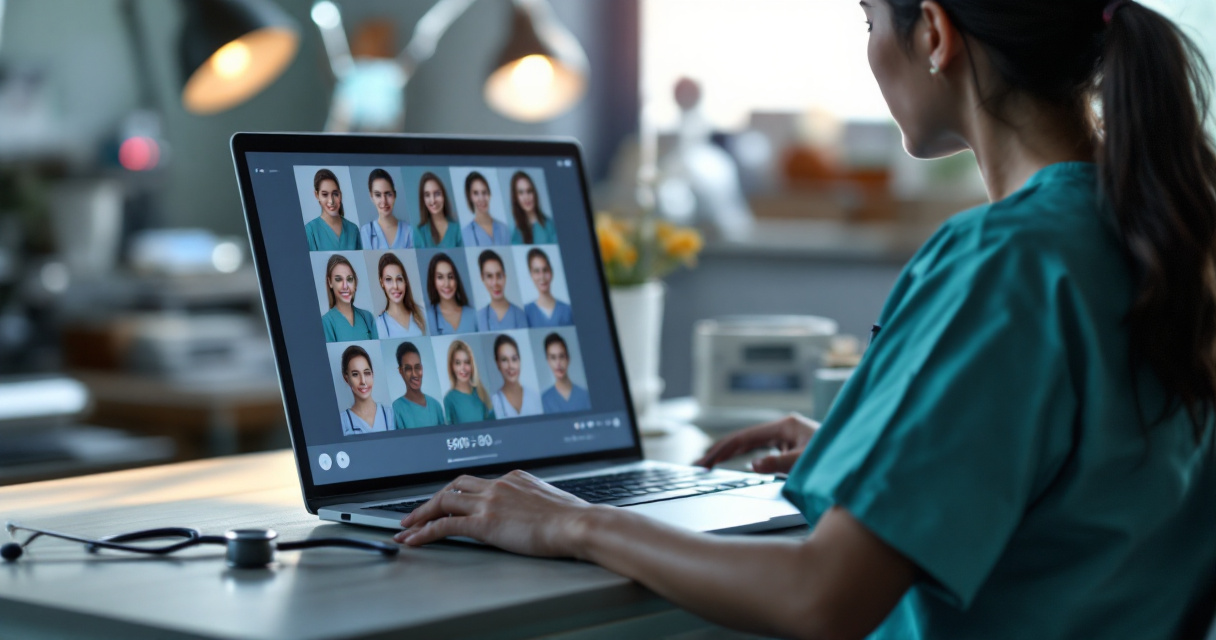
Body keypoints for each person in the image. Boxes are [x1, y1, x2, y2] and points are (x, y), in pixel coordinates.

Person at [393, 2, 1216, 639]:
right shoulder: (1169, 229)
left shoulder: (1005, 261)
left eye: (867, 22)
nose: (869, 49)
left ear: (933, 31)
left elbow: (822, 599)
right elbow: (1097, 486)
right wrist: (876, 458)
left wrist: (573, 519)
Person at [321, 254, 378, 342]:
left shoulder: (367, 317)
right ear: (330, 282)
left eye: (349, 279)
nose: (345, 286)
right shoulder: (326, 322)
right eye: (338, 279)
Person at [391, 341, 447, 429]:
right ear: (401, 371)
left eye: (417, 367)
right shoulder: (396, 409)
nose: (414, 374)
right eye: (408, 369)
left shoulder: (435, 405)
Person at [338, 345, 392, 435]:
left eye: (367, 373)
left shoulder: (391, 414)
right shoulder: (342, 422)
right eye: (355, 374)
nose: (363, 381)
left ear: (372, 375)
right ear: (346, 378)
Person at [304, 168, 362, 251]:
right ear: (317, 195)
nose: (331, 201)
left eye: (335, 194)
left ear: (340, 194)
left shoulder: (353, 229)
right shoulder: (310, 231)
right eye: (325, 194)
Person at [489, 334, 542, 419]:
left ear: (519, 361)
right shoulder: (494, 402)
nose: (511, 366)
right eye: (504, 360)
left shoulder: (534, 397)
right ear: (497, 363)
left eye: (514, 359)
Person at [359, 169, 414, 250]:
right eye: (378, 195)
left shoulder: (409, 232)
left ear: (394, 195)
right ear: (371, 197)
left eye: (388, 194)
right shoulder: (366, 232)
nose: (384, 201)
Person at [442, 340, 494, 424]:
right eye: (458, 363)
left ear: (472, 365)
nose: (463, 368)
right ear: (452, 367)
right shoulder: (449, 399)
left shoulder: (481, 392)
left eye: (467, 362)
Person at [424, 253, 477, 334]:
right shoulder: (427, 317)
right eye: (440, 277)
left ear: (456, 280)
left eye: (450, 277)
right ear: (433, 281)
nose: (447, 284)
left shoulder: (473, 315)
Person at [376, 253, 426, 338]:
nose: (395, 286)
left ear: (405, 281)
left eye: (399, 279)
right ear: (382, 283)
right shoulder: (379, 325)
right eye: (388, 280)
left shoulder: (422, 313)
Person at [476, 250, 527, 331]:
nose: (495, 283)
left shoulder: (520, 315)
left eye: (499, 275)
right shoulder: (478, 317)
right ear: (482, 278)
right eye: (489, 276)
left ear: (505, 277)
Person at [540, 333, 590, 414]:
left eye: (562, 356)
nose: (558, 363)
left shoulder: (585, 396)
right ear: (548, 361)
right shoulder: (545, 400)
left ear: (568, 359)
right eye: (553, 358)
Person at [523, 248, 573, 327]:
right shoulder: (526, 312)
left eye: (545, 270)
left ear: (551, 272)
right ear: (531, 275)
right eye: (536, 271)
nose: (542, 276)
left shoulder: (568, 311)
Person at [414, 172, 463, 248]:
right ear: (423, 200)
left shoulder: (458, 230)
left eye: (437, 194)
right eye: (427, 195)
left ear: (443, 196)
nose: (433, 200)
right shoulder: (419, 233)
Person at [461, 171, 510, 246]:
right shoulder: (465, 234)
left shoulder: (503, 229)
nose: (481, 198)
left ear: (489, 194)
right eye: (476, 193)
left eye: (484, 192)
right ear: (470, 197)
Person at [508, 171, 557, 245]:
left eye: (529, 191)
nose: (526, 197)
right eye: (521, 193)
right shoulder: (515, 234)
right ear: (515, 197)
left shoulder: (550, 226)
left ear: (534, 193)